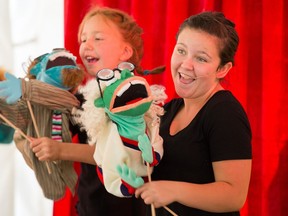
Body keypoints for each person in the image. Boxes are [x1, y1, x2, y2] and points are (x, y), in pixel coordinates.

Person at [28, 6, 164, 216]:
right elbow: (51, 133)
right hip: (91, 207)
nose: (86, 45)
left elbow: (114, 150)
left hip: (133, 207)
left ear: (125, 51)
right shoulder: (81, 98)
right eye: (83, 40)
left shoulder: (134, 94)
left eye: (98, 38)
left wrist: (61, 150)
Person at [135, 11, 252, 216]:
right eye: (181, 51)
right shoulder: (169, 109)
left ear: (222, 69)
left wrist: (173, 190)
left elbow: (234, 196)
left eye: (201, 58)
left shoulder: (225, 113)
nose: (186, 64)